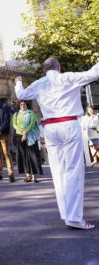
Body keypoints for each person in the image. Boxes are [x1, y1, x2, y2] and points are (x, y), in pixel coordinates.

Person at [15, 57, 99, 230]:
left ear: (45, 70)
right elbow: (94, 73)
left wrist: (18, 83)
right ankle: (74, 217)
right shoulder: (67, 77)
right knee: (73, 170)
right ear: (58, 67)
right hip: (68, 124)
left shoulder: (39, 83)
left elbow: (21, 95)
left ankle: (66, 214)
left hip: (50, 128)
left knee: (58, 171)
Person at [12, 101, 43, 183]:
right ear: (19, 106)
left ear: (26, 105)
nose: (23, 105)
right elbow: (14, 125)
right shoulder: (16, 114)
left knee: (33, 156)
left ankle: (34, 176)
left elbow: (32, 124)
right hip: (19, 136)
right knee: (23, 156)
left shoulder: (31, 113)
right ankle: (28, 176)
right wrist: (22, 133)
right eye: (21, 104)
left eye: (24, 104)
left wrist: (25, 133)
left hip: (30, 135)